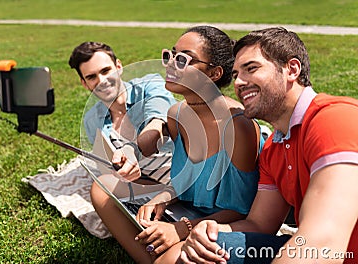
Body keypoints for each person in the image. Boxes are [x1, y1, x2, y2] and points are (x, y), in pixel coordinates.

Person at [179, 27, 358, 264]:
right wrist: (211, 229)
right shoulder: (274, 146)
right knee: (193, 253)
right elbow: (260, 225)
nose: (240, 82)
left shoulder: (334, 119)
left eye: (251, 69)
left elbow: (324, 241)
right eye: (235, 75)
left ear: (292, 69)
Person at [91, 25, 264, 263]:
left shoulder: (237, 125)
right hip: (185, 212)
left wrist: (181, 230)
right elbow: (185, 181)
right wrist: (162, 198)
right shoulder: (176, 114)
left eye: (183, 59)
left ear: (214, 73)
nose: (171, 64)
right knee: (103, 187)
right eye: (170, 55)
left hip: (225, 226)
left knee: (171, 258)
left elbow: (243, 210)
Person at [68, 41, 176, 183]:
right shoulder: (91, 120)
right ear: (84, 83)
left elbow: (159, 120)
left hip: (183, 172)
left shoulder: (150, 85)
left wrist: (133, 150)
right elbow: (108, 165)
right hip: (144, 185)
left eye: (105, 71)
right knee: (101, 186)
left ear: (118, 67)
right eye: (91, 77)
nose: (102, 81)